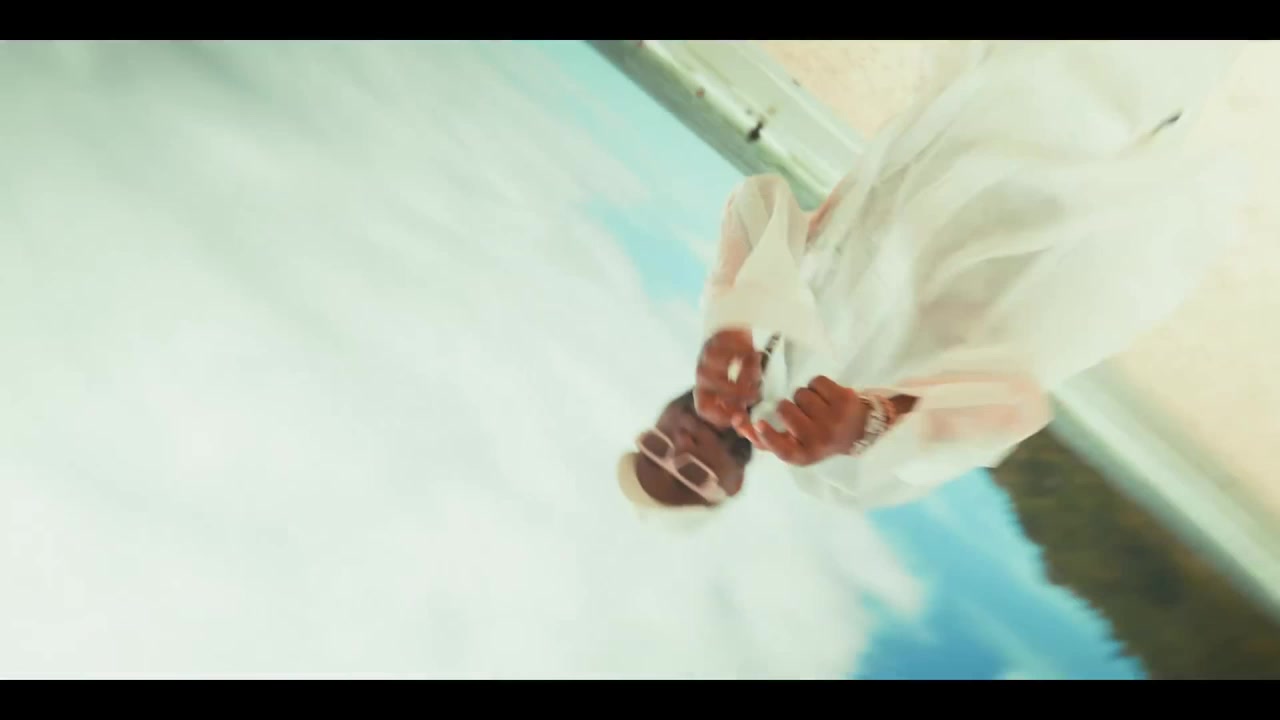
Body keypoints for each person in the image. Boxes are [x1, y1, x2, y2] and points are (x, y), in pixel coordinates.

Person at [617, 40, 1250, 524]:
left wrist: (730, 320)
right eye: (692, 475)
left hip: (979, 87)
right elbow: (1014, 406)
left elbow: (762, 201)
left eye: (654, 446)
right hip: (1078, 157)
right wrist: (868, 423)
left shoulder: (737, 336)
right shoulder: (836, 475)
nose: (680, 446)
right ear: (732, 488)